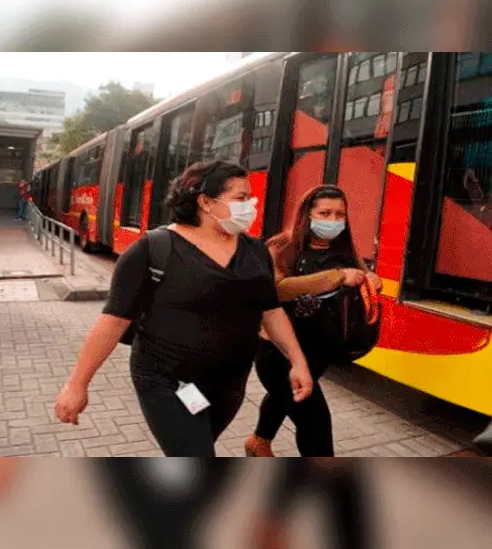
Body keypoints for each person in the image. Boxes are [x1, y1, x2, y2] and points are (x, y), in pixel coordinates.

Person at [54, 160, 314, 457]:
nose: (251, 205)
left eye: (250, 197)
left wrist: (297, 361)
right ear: (205, 202)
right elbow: (113, 321)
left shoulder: (255, 251)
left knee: (199, 445)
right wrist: (77, 385)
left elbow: (271, 311)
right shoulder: (153, 249)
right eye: (241, 198)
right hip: (167, 382)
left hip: (229, 384)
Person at [245, 185, 381, 458]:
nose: (332, 221)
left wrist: (371, 280)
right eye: (325, 213)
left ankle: (259, 442)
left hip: (320, 351)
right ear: (307, 214)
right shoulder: (281, 247)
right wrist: (337, 277)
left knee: (285, 399)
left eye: (339, 214)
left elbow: (363, 276)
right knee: (315, 421)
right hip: (279, 352)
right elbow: (278, 288)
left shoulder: (345, 250)